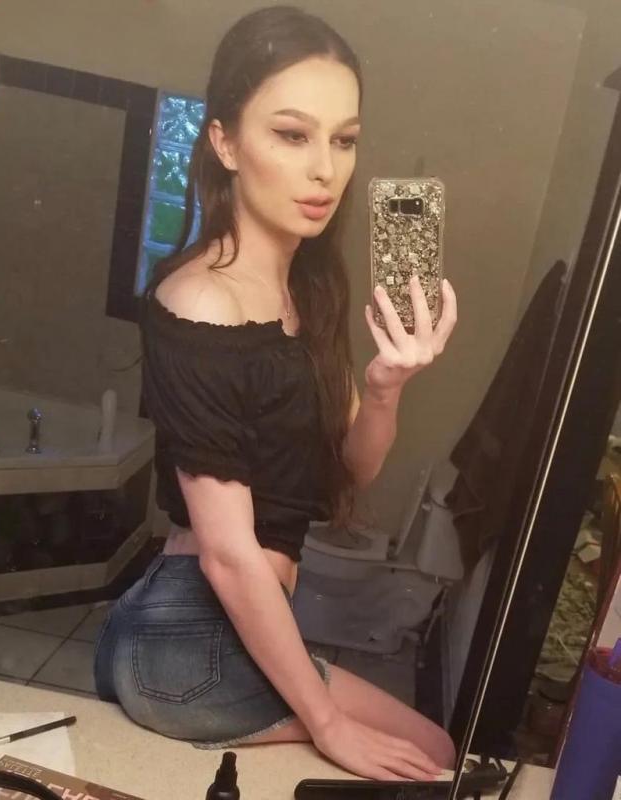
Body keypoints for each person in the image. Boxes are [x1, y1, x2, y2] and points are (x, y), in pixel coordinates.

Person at [94, 4, 458, 781]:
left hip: (217, 626)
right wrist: (327, 722)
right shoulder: (203, 302)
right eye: (292, 135)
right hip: (187, 636)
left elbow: (346, 475)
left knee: (430, 756)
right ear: (225, 142)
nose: (325, 168)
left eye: (344, 140)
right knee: (432, 759)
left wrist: (385, 388)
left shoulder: (306, 288)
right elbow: (228, 555)